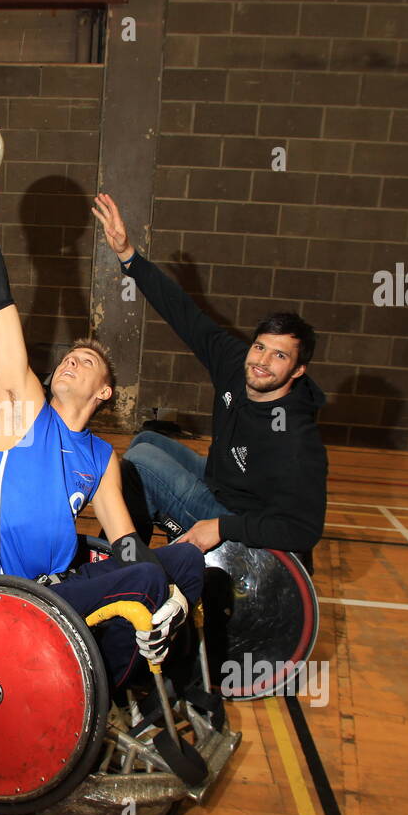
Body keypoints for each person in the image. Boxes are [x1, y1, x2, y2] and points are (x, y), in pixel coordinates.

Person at [0, 182, 202, 690]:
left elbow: (125, 542)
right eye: (68, 356)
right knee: (152, 580)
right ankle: (107, 695)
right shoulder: (24, 412)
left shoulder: (100, 456)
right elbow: (2, 312)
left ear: (105, 391)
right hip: (11, 592)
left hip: (63, 587)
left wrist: (164, 584)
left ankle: (129, 685)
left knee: (185, 560)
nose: (70, 359)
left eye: (85, 360)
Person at [91, 193, 328, 564]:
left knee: (141, 468)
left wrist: (220, 528)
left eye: (279, 356)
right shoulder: (239, 365)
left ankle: (120, 570)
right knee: (146, 440)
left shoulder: (296, 438)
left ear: (297, 371)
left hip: (242, 530)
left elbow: (303, 529)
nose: (262, 362)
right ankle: (127, 561)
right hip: (221, 483)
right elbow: (185, 316)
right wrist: (129, 257)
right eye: (260, 347)